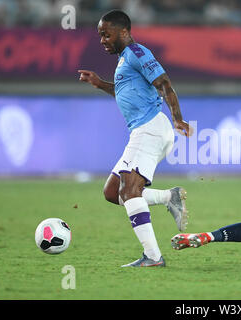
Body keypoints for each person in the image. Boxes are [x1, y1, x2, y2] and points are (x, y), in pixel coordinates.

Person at [78, 10, 193, 267]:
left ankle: (153, 257)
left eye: (106, 34)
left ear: (123, 32)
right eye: (100, 36)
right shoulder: (124, 60)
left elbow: (164, 83)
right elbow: (125, 92)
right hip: (142, 131)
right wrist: (100, 84)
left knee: (130, 192)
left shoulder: (138, 53)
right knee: (112, 192)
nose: (102, 40)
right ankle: (168, 197)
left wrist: (177, 117)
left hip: (150, 129)